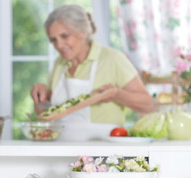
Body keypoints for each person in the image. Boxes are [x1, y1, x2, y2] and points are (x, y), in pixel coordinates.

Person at [30, 5, 154, 140]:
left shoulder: (112, 58)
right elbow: (43, 116)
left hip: (103, 148)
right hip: (61, 147)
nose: (59, 45)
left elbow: (148, 105)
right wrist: (40, 98)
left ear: (82, 32)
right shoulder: (59, 64)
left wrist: (117, 94)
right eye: (53, 40)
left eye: (64, 36)